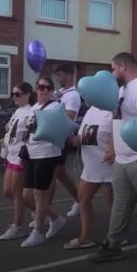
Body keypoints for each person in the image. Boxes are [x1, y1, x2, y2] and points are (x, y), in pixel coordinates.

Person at [90, 52, 137, 263]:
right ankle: (113, 245)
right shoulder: (121, 89)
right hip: (122, 159)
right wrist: (112, 148)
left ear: (123, 66)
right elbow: (117, 120)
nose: (112, 73)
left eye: (113, 68)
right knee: (121, 203)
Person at [20, 77, 68, 248]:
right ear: (36, 89)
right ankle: (55, 219)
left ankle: (38, 232)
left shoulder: (55, 107)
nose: (45, 90)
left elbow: (60, 128)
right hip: (31, 154)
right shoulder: (34, 107)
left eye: (48, 88)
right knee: (26, 195)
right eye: (41, 87)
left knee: (40, 195)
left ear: (52, 90)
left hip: (47, 154)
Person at [0, 82, 35, 240]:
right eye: (13, 94)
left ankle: (18, 226)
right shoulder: (17, 112)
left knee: (17, 194)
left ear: (28, 94)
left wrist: (26, 157)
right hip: (11, 156)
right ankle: (42, 213)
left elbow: (30, 137)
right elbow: (9, 138)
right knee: (8, 192)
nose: (14, 97)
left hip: (20, 158)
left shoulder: (30, 112)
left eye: (18, 94)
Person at [63, 106, 114, 249]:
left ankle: (115, 237)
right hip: (91, 166)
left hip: (108, 165)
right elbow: (82, 137)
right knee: (83, 199)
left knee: (112, 202)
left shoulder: (112, 109)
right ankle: (85, 238)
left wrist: (112, 149)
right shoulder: (91, 111)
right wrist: (71, 139)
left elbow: (118, 132)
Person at [52, 63, 82, 218]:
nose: (58, 78)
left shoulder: (73, 95)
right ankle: (80, 201)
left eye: (60, 75)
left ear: (69, 75)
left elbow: (69, 117)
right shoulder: (59, 93)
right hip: (52, 137)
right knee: (60, 175)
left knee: (53, 175)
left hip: (60, 138)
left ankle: (44, 212)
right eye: (57, 75)